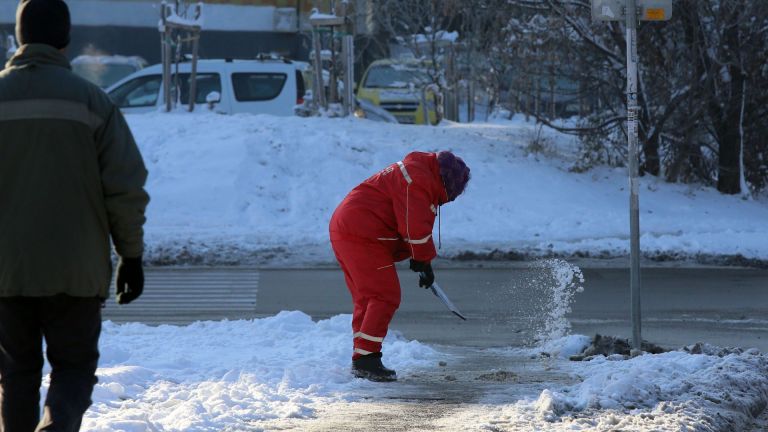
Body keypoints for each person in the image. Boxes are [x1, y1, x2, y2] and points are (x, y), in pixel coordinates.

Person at [0, 1, 149, 430]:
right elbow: (124, 187)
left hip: (6, 270)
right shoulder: (93, 102)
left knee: (16, 374)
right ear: (66, 40)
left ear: (19, 37)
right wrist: (131, 256)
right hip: (76, 270)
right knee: (73, 369)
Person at [329, 151, 470, 382]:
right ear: (448, 182)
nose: (451, 199)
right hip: (362, 233)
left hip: (350, 228)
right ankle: (366, 361)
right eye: (454, 192)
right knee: (384, 295)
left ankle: (363, 357)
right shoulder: (419, 180)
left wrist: (421, 260)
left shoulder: (418, 173)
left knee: (368, 298)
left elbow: (407, 222)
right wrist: (423, 260)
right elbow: (414, 227)